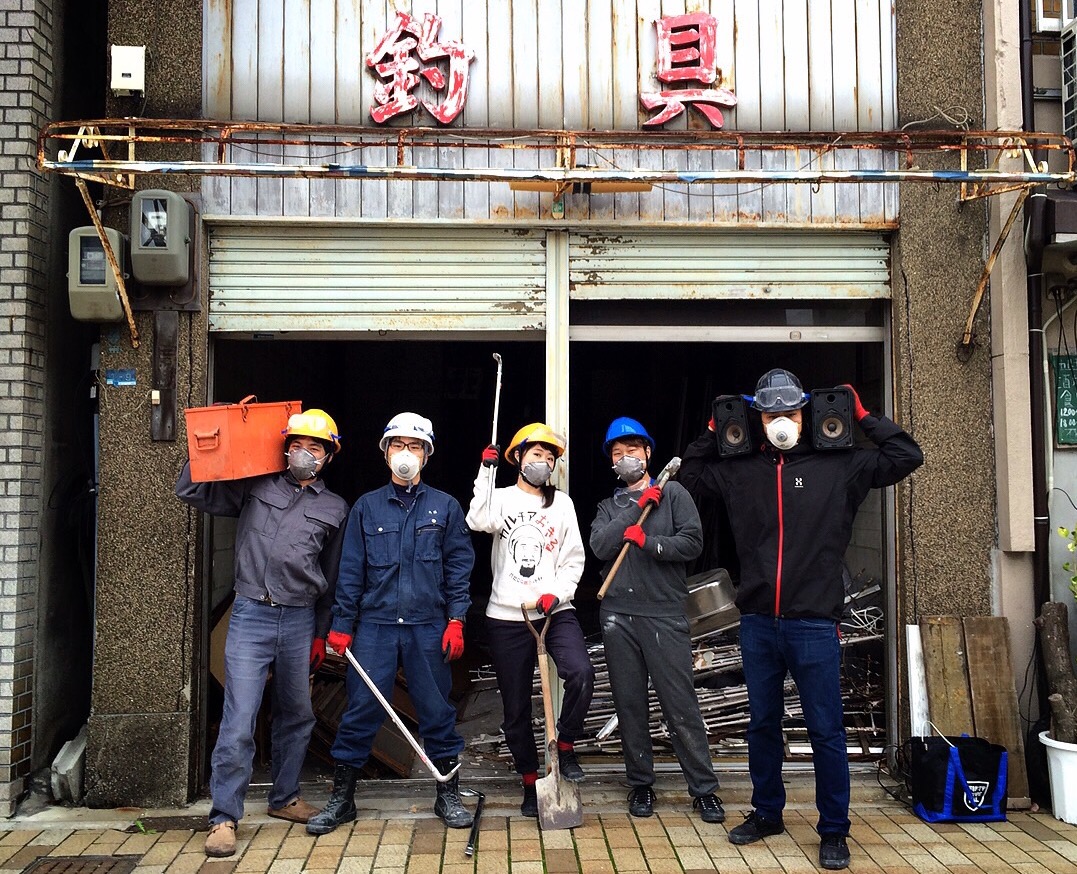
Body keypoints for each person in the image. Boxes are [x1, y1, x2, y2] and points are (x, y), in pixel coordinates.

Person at [679, 369, 923, 870]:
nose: (781, 422)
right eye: (770, 413)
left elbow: (906, 455)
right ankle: (768, 813)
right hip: (757, 623)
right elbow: (690, 474)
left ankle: (834, 829)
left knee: (826, 731)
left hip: (813, 624)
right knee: (763, 725)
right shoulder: (740, 469)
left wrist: (862, 415)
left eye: (789, 412)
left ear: (805, 413)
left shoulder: (841, 465)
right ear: (758, 417)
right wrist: (715, 425)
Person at [176, 408, 349, 858]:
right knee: (239, 718)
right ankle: (224, 817)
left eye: (315, 448)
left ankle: (284, 797)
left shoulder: (335, 509)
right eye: (297, 445)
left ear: (329, 456)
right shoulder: (256, 486)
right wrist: (215, 439)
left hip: (299, 618)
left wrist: (321, 634)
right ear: (285, 449)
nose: (304, 453)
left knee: (297, 713)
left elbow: (332, 577)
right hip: (251, 614)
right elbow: (191, 489)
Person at [307, 412, 475, 834]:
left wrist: (456, 619)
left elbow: (459, 568)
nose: (406, 453)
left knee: (436, 710)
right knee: (361, 709)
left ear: (426, 455)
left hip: (427, 626)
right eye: (398, 445)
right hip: (376, 626)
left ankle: (448, 794)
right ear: (385, 454)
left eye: (414, 446)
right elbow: (350, 570)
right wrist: (342, 623)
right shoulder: (366, 507)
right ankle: (343, 800)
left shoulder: (445, 507)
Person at [589, 416, 724, 824]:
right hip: (618, 616)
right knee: (630, 704)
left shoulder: (674, 493)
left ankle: (704, 790)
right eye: (617, 453)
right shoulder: (609, 506)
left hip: (664, 614)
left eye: (632, 450)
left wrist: (650, 542)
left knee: (679, 704)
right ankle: (641, 784)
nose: (625, 458)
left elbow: (693, 543)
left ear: (648, 452)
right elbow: (600, 546)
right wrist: (634, 510)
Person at [466, 423, 595, 817]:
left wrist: (559, 592)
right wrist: (485, 472)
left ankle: (566, 745)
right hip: (507, 617)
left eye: (549, 457)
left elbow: (573, 559)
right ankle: (529, 781)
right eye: (536, 454)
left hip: (555, 611)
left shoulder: (563, 505)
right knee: (516, 708)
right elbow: (477, 519)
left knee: (581, 672)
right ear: (518, 458)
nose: (543, 462)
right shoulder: (502, 498)